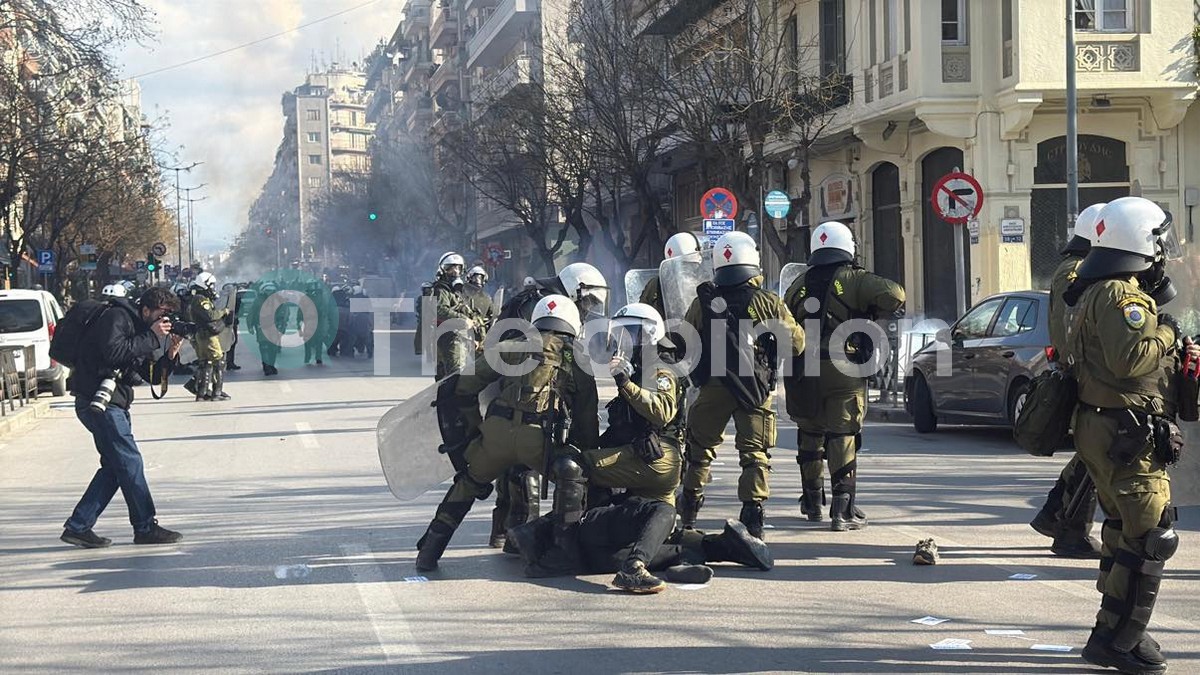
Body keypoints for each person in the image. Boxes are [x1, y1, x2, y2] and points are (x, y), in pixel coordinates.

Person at [1064, 196, 1188, 674]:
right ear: (1142, 240)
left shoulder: (1096, 289)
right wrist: (1169, 333)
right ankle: (1118, 640)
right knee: (1151, 538)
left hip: (1106, 425)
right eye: (1158, 240)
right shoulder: (1121, 296)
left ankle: (1114, 629)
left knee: (1122, 533)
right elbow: (1130, 360)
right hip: (1125, 430)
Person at [414, 295, 600, 572]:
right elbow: (586, 418)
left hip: (495, 437)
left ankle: (429, 550)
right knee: (574, 472)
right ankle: (562, 552)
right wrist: (586, 455)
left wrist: (476, 431)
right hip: (539, 441)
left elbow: (464, 386)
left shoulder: (510, 346)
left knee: (466, 483)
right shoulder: (576, 356)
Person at [679, 231, 805, 539]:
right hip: (754, 387)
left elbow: (684, 341)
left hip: (712, 386)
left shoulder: (703, 301)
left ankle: (689, 512)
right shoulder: (767, 302)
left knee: (699, 450)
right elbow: (797, 344)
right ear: (753, 262)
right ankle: (753, 518)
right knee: (755, 454)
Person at [782, 221, 905, 531]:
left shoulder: (797, 284)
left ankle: (812, 503)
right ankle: (843, 510)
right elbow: (895, 295)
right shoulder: (854, 279)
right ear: (848, 246)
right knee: (842, 434)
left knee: (810, 433)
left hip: (803, 368)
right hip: (843, 368)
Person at [483, 261, 610, 550]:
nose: (589, 308)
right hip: (515, 388)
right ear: (574, 290)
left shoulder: (548, 302)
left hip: (524, 388)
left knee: (519, 456)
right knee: (519, 462)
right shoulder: (542, 306)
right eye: (587, 300)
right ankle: (514, 532)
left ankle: (510, 531)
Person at [60, 286, 185, 548]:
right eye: (162, 314)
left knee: (115, 469)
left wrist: (170, 354)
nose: (164, 321)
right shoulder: (117, 317)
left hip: (114, 403)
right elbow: (114, 352)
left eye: (169, 316)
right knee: (130, 463)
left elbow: (149, 375)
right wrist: (151, 337)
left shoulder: (141, 331)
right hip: (98, 402)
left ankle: (78, 526)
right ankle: (145, 527)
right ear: (146, 309)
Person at [1029, 203, 1106, 558]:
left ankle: (1056, 517)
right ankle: (1068, 527)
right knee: (1094, 455)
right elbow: (1072, 324)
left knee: (1090, 456)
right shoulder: (1075, 272)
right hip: (1082, 374)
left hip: (1083, 371)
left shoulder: (1076, 270)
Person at [510, 494, 773, 594]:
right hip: (589, 526)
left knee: (679, 548)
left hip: (592, 560)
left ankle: (727, 550)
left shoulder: (533, 546)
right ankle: (635, 567)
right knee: (663, 511)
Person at [583, 303, 684, 507]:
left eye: (630, 334)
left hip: (656, 455)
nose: (624, 343)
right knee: (654, 524)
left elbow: (661, 412)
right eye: (620, 336)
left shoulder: (660, 369)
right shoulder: (640, 368)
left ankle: (568, 533)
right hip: (643, 454)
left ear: (650, 335)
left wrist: (625, 384)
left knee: (574, 467)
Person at [187, 272, 231, 401]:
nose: (213, 287)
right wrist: (224, 311)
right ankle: (217, 392)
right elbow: (210, 316)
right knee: (219, 362)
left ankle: (202, 392)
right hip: (207, 336)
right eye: (211, 285)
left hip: (201, 335)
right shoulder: (201, 300)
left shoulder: (198, 298)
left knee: (205, 363)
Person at [431, 253, 475, 379]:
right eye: (451, 268)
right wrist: (463, 319)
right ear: (443, 270)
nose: (455, 271)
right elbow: (440, 309)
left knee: (448, 374)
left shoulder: (457, 291)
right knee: (455, 375)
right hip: (449, 336)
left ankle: (443, 397)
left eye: (458, 268)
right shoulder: (441, 289)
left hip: (460, 336)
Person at [639, 232, 703, 318]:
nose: (693, 270)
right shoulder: (656, 284)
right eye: (688, 267)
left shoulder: (701, 282)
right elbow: (642, 312)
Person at [462, 265, 495, 346]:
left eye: (480, 278)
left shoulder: (486, 298)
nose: (478, 280)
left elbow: (492, 315)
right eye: (475, 277)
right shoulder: (461, 294)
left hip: (480, 335)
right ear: (469, 278)